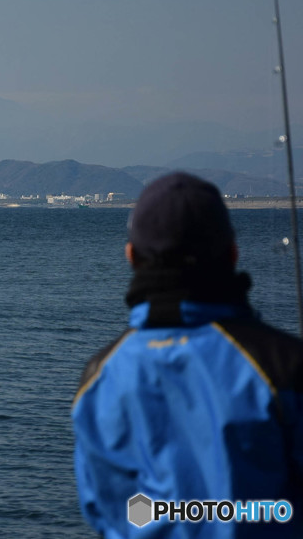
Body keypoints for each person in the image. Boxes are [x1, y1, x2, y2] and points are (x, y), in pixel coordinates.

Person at [72, 172, 303, 537]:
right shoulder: (286, 368)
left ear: (131, 256)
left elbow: (110, 513)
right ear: (233, 253)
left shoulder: (100, 378)